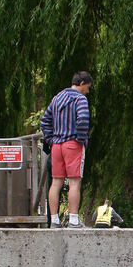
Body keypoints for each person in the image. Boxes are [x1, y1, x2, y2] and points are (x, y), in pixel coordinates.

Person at [40, 71, 93, 227]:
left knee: (56, 183)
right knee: (74, 182)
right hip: (73, 144)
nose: (88, 91)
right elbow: (83, 119)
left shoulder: (57, 98)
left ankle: (54, 220)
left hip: (56, 146)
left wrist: (51, 139)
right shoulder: (80, 99)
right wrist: (81, 140)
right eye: (87, 87)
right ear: (81, 83)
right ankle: (74, 220)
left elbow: (44, 121)